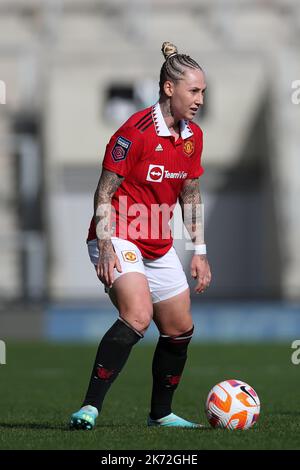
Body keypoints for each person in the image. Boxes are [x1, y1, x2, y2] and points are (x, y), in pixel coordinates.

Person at [70, 42, 211, 430]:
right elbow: (103, 192)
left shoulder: (192, 137)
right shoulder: (134, 133)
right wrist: (104, 244)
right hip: (117, 235)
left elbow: (191, 193)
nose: (200, 99)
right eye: (194, 91)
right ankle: (89, 408)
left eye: (202, 92)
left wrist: (198, 249)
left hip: (157, 243)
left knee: (180, 328)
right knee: (137, 315)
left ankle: (160, 414)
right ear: (169, 88)